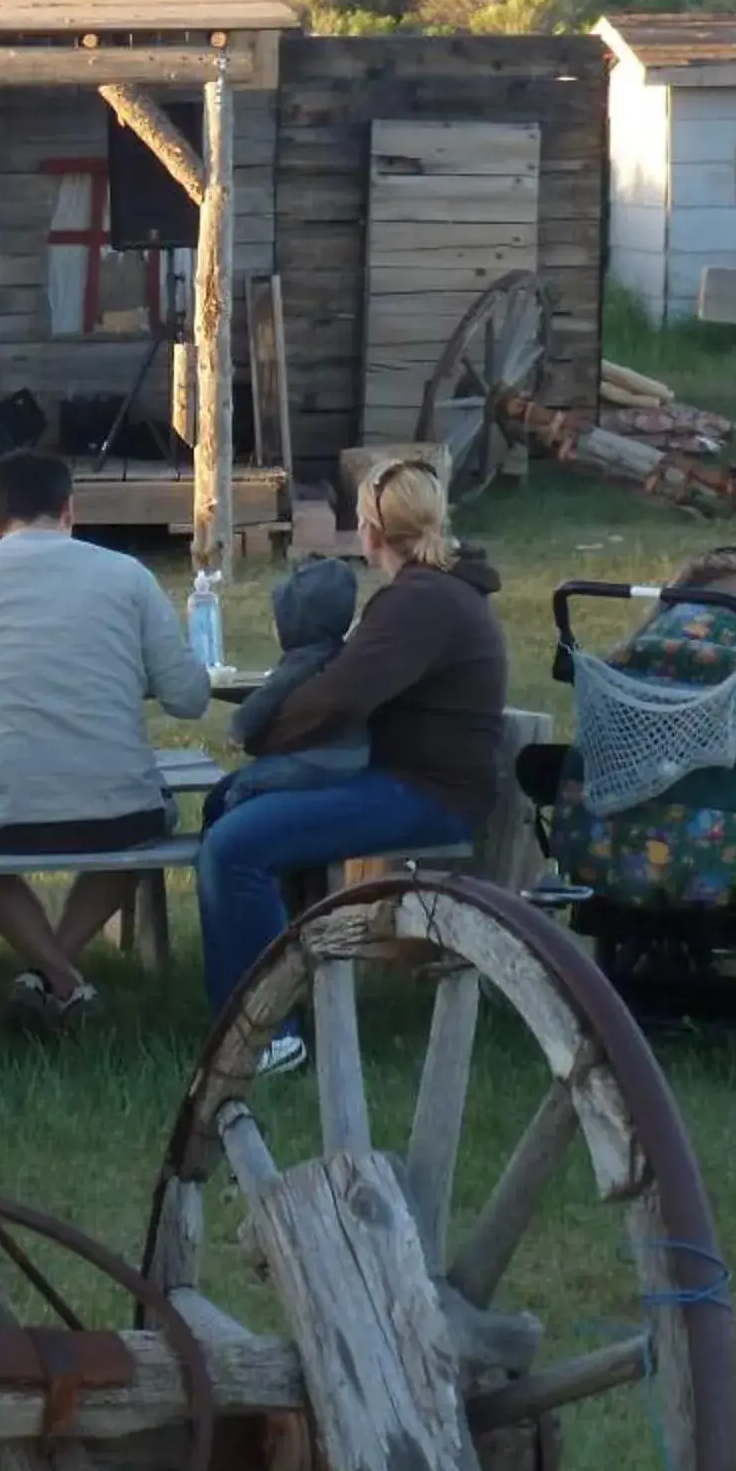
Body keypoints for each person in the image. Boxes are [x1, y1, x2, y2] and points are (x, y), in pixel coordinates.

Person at [198, 459, 507, 1075]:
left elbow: (339, 694)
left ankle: (266, 1037)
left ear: (368, 532)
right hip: (406, 775)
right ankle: (282, 980)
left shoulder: (422, 601)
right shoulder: (429, 593)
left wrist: (266, 734)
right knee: (226, 804)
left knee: (235, 846)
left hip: (428, 790)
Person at [0, 449, 212, 1023]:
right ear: (70, 510)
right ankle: (61, 975)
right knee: (140, 829)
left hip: (1, 813)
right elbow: (189, 699)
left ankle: (54, 975)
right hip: (121, 809)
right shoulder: (128, 575)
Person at [206, 560, 371, 820]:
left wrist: (239, 726)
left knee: (243, 785)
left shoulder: (304, 660)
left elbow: (268, 695)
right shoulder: (343, 654)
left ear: (297, 623)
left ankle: (231, 826)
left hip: (314, 761)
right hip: (354, 757)